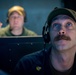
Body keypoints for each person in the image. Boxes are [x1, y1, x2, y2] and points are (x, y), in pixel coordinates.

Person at [14, 7, 76, 75]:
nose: (61, 31)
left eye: (69, 24)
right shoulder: (26, 66)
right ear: (48, 34)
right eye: (56, 25)